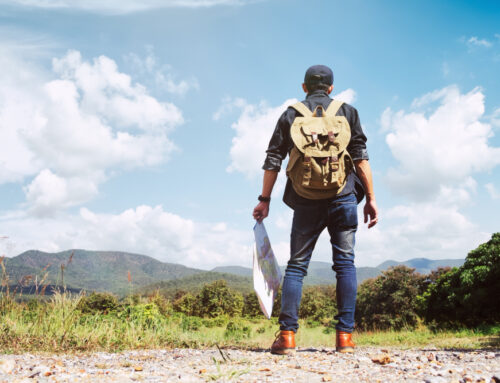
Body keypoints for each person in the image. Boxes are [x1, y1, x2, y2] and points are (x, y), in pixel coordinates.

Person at [252, 65, 378, 354]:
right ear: (331, 88)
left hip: (305, 199)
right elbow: (361, 159)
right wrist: (370, 197)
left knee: (297, 266)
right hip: (343, 196)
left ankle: (287, 337)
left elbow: (273, 159)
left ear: (304, 87)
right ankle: (344, 337)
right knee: (345, 265)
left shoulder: (291, 114)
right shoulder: (348, 113)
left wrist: (265, 200)